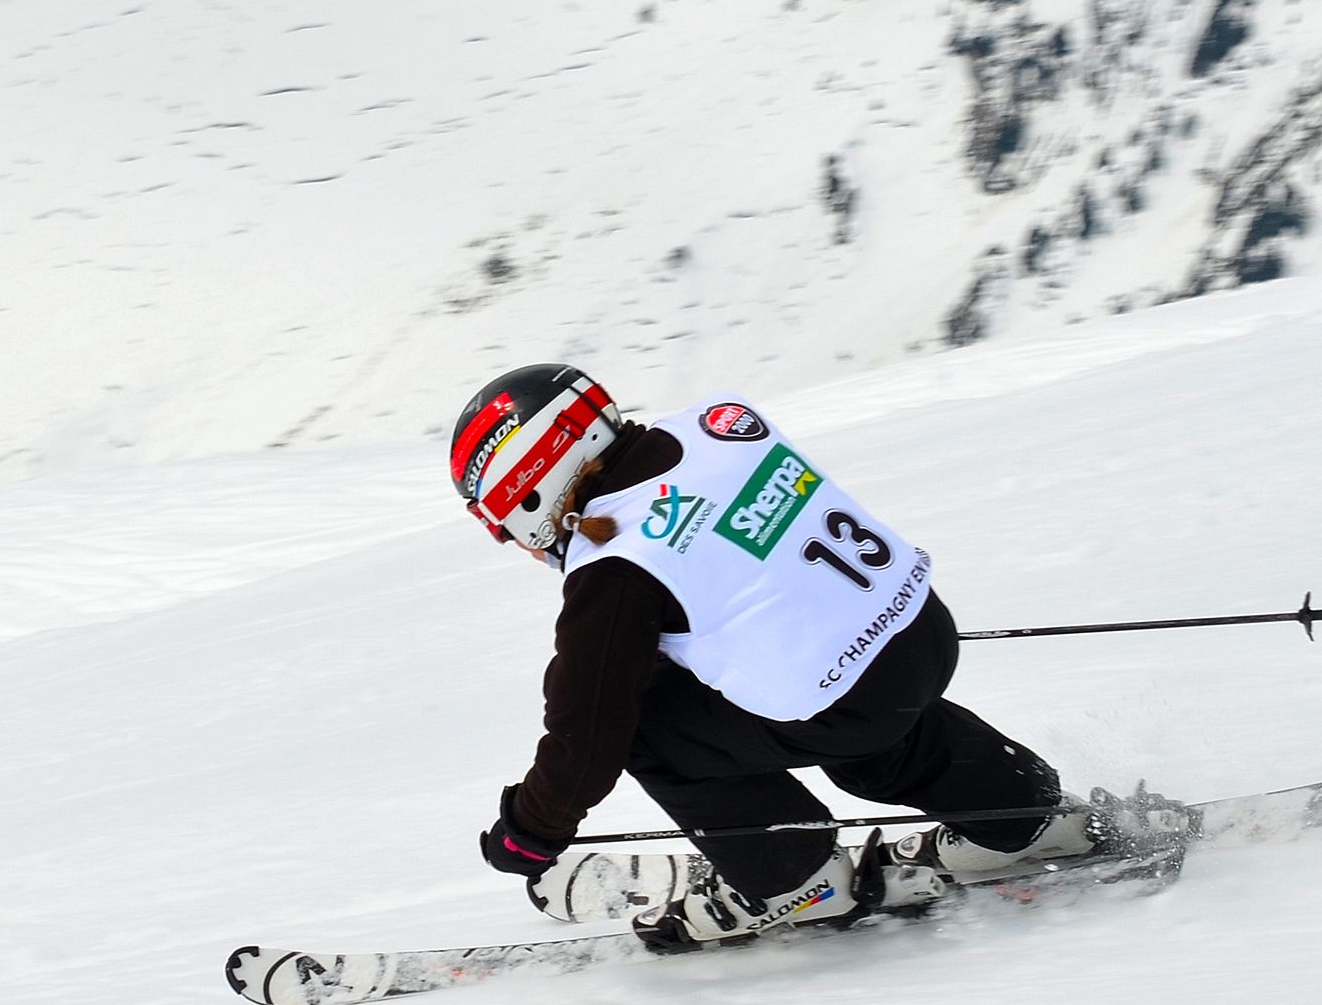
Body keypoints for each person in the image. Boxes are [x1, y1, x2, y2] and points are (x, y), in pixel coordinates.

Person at [452, 364, 1096, 951]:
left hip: (848, 703)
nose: (520, 544)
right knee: (845, 704)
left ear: (530, 491)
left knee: (643, 726)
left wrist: (530, 831)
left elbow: (589, 730)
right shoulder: (715, 425)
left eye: (505, 523)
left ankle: (797, 880)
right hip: (919, 631)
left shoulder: (614, 566)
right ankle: (1026, 817)